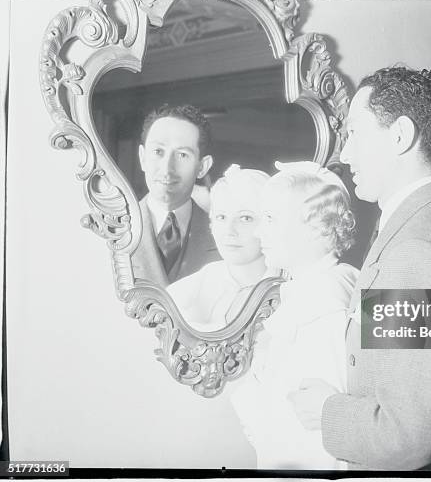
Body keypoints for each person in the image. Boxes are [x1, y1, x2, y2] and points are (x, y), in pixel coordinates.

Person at [288, 67, 431, 471]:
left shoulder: (416, 251)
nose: (344, 153)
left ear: (401, 136)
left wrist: (326, 412)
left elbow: (406, 438)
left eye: (353, 133)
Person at [230, 161, 359, 470]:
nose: (259, 232)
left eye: (271, 219)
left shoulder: (324, 302)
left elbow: (322, 441)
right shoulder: (313, 288)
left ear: (316, 227)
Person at [167, 164, 272, 332]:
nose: (229, 231)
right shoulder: (186, 291)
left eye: (245, 218)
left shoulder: (293, 290)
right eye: (221, 217)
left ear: (270, 224)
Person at [132, 104, 221, 286]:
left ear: (202, 167)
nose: (167, 169)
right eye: (158, 152)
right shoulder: (113, 230)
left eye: (182, 155)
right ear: (142, 158)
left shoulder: (223, 237)